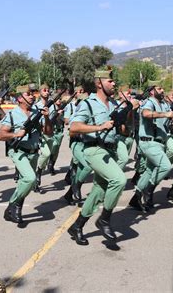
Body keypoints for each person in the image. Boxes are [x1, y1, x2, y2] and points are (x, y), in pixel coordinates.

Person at [67, 69, 127, 246]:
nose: (114, 84)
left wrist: (127, 115)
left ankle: (77, 226)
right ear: (99, 83)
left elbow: (122, 130)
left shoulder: (113, 103)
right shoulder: (89, 104)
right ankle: (105, 219)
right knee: (119, 180)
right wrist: (99, 127)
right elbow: (74, 127)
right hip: (94, 150)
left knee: (98, 191)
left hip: (110, 151)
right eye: (110, 81)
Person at [0, 84, 51, 224]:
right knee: (30, 178)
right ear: (20, 98)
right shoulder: (13, 114)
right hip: (18, 151)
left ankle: (14, 210)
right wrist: (16, 134)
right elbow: (1, 135)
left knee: (24, 182)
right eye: (28, 94)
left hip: (34, 152)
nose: (32, 96)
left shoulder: (36, 112)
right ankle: (12, 204)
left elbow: (48, 132)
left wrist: (46, 117)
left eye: (33, 93)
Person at [129, 81, 173, 212]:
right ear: (153, 91)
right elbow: (146, 114)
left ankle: (135, 198)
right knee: (165, 166)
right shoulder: (149, 102)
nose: (162, 90)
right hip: (149, 142)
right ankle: (148, 190)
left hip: (159, 143)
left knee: (149, 171)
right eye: (159, 88)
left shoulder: (163, 104)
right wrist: (165, 114)